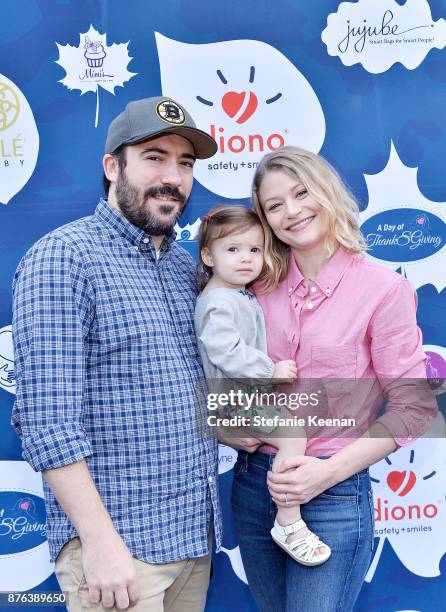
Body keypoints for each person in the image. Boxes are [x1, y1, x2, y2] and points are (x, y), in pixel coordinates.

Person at [12, 96, 221, 612]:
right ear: (113, 166)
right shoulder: (64, 257)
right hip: (121, 552)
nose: (172, 176)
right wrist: (100, 543)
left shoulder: (182, 267)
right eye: (154, 157)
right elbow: (48, 422)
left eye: (186, 163)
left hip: (193, 540)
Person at [220, 146, 438, 612]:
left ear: (327, 192)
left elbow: (415, 408)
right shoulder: (252, 288)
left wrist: (326, 474)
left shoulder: (382, 290)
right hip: (255, 487)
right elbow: (228, 377)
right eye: (275, 205)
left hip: (333, 492)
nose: (292, 211)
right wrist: (229, 426)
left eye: (301, 193)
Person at [194, 204, 330, 566]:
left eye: (255, 250)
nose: (245, 259)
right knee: (292, 435)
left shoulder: (237, 294)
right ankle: (287, 519)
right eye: (232, 250)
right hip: (235, 400)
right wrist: (269, 370)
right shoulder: (218, 301)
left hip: (242, 396)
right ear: (208, 255)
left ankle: (284, 514)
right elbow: (226, 351)